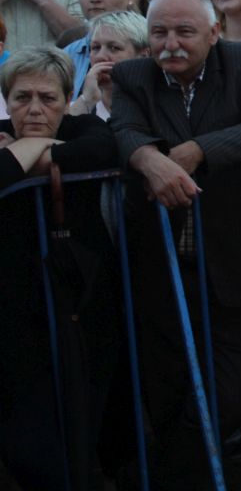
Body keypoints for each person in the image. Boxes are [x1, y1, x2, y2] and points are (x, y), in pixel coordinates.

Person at [108, 0, 241, 490]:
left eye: (184, 32)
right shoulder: (132, 75)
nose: (170, 44)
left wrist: (196, 151)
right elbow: (123, 129)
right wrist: (148, 158)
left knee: (228, 396)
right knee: (166, 394)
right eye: (159, 33)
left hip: (232, 262)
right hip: (161, 265)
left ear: (213, 33)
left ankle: (166, 476)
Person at [0, 47, 121, 491]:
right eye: (22, 98)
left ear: (67, 99)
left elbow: (104, 149)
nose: (34, 109)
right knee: (27, 432)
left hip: (81, 298)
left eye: (47, 98)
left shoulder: (84, 128)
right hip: (15, 303)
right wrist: (38, 147)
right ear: (7, 101)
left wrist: (26, 153)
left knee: (85, 412)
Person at [68, 10, 149, 119]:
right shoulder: (75, 108)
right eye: (95, 47)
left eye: (114, 48)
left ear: (143, 56)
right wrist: (87, 99)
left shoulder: (160, 108)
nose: (100, 56)